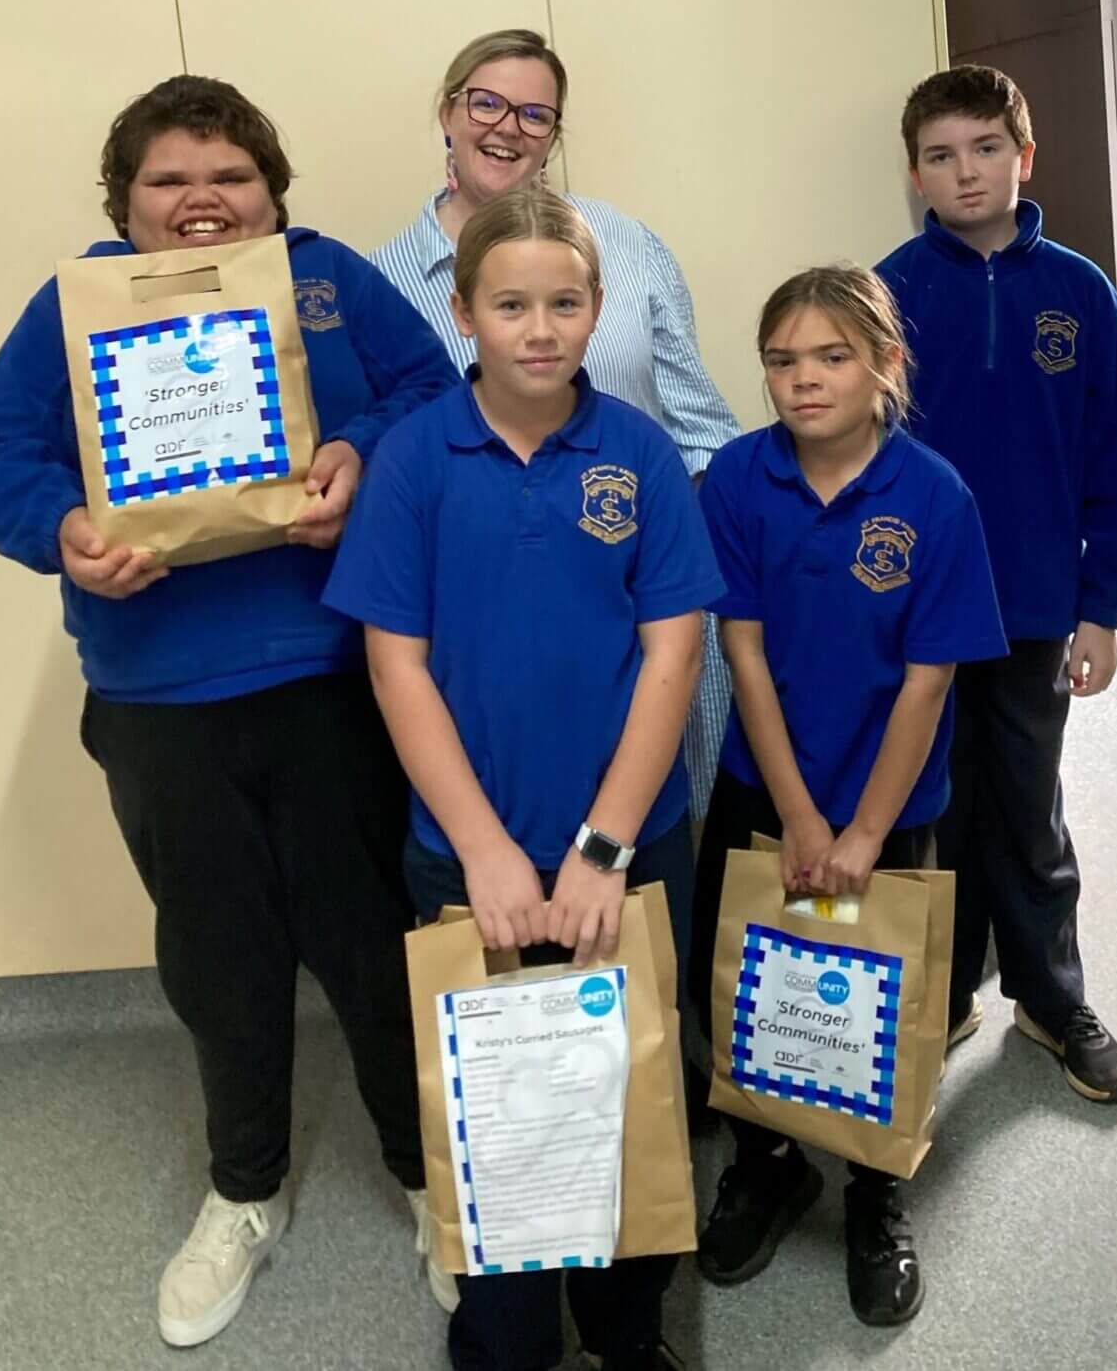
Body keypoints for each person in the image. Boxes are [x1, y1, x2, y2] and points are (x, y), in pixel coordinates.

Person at [0, 75, 460, 1347]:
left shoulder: (328, 276)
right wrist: (62, 530)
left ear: (270, 193)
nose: (200, 201)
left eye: (227, 177)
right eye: (169, 181)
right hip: (160, 694)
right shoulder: (74, 303)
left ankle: (426, 1171)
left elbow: (431, 393)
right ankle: (244, 1189)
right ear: (124, 203)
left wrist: (358, 453)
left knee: (371, 943)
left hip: (337, 675)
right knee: (218, 960)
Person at [327, 187, 720, 1371]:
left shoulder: (639, 453)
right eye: (511, 305)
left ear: (597, 311)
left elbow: (674, 650)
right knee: (500, 1105)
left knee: (627, 1091)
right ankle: (505, 1328)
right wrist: (488, 852)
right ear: (463, 313)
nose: (539, 329)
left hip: (629, 847)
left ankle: (625, 1325)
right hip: (469, 854)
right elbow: (397, 670)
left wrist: (601, 846)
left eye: (564, 304)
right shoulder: (412, 460)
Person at [689, 265, 1006, 1324]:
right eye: (782, 361)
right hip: (764, 788)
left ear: (885, 366)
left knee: (884, 1002)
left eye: (832, 357)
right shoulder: (736, 480)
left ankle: (876, 1192)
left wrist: (865, 828)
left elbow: (928, 680)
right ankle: (768, 1161)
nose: (804, 380)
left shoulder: (933, 495)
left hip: (896, 803)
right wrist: (800, 816)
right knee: (738, 989)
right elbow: (741, 649)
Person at [371, 28, 739, 845]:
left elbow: (704, 430)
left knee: (654, 869)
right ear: (448, 111)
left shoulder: (630, 250)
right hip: (484, 632)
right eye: (487, 102)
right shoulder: (384, 286)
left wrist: (681, 563)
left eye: (536, 114)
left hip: (642, 611)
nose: (508, 127)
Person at [875, 64, 1117, 1102]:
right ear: (916, 174)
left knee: (1027, 807)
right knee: (932, 804)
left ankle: (1047, 997)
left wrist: (1103, 605)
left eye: (986, 148)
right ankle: (943, 996)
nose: (967, 171)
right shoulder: (890, 288)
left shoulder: (1080, 292)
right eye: (942, 157)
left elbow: (1115, 456)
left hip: (1037, 604)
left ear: (1023, 156)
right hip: (923, 615)